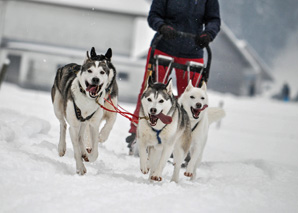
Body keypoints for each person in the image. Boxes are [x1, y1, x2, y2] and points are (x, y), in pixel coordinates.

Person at [126, 0, 221, 149]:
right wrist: (162, 27)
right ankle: (138, 132)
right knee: (151, 92)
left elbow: (213, 19)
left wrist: (208, 34)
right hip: (164, 46)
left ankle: (184, 141)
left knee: (190, 99)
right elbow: (154, 15)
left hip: (193, 50)